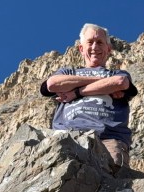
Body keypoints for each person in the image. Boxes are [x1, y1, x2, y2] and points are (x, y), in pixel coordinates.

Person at [40, 23, 137, 173]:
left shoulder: (118, 74)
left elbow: (120, 83)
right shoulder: (67, 71)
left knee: (111, 185)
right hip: (68, 136)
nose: (94, 47)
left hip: (109, 140)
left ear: (108, 49)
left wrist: (75, 92)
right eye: (90, 42)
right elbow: (52, 84)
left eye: (100, 43)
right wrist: (103, 84)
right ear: (81, 48)